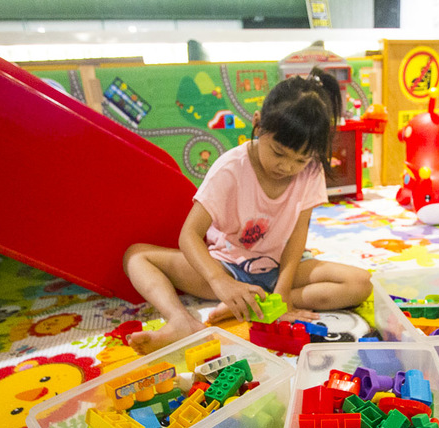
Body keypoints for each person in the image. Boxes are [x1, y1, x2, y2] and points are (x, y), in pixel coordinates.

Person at [123, 68, 373, 355]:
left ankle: (256, 305)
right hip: (228, 267)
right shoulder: (230, 168)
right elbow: (189, 235)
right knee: (137, 256)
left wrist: (281, 298)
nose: (287, 167)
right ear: (258, 124)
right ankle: (182, 320)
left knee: (360, 283)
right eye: (278, 152)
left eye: (300, 159)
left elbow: (297, 236)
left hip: (281, 269)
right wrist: (223, 284)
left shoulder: (312, 170)